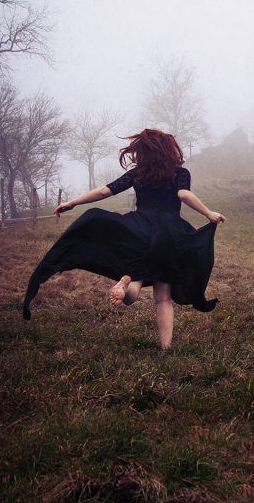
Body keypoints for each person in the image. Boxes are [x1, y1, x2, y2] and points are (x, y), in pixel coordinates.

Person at [22, 128, 225, 350]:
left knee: (134, 288)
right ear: (169, 151)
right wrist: (208, 213)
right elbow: (184, 195)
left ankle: (126, 283)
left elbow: (104, 191)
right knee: (163, 297)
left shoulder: (138, 174)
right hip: (170, 235)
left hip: (140, 230)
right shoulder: (180, 173)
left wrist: (74, 202)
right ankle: (166, 349)